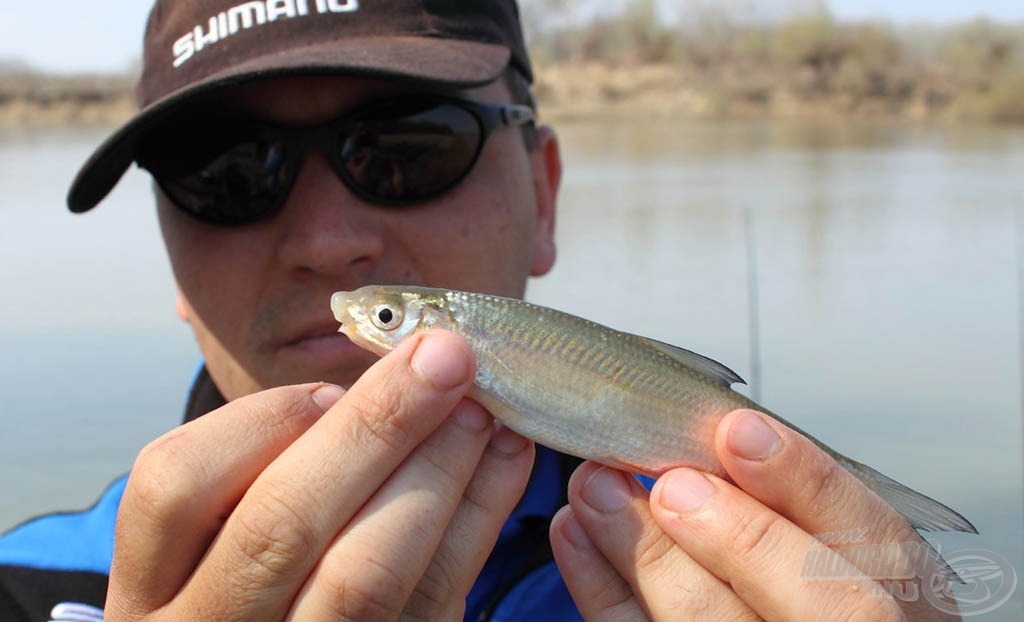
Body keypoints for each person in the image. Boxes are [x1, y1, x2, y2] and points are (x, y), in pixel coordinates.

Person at [0, 1, 963, 620]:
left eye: (407, 148)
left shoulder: (747, 561)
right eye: (226, 176)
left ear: (545, 197)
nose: (328, 242)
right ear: (168, 250)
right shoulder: (28, 590)